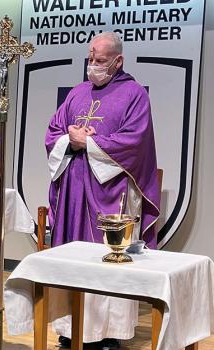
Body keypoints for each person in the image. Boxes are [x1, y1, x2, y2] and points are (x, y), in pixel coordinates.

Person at [45, 32, 160, 349]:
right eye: (90, 58)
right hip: (74, 189)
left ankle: (108, 333)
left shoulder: (134, 94)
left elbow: (135, 143)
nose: (92, 66)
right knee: (73, 258)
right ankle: (70, 329)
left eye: (100, 60)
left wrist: (91, 142)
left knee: (105, 258)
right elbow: (53, 131)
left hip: (110, 190)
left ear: (118, 60)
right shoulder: (77, 93)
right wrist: (70, 136)